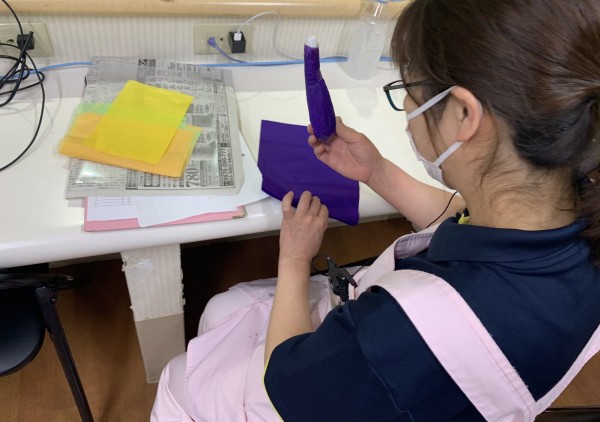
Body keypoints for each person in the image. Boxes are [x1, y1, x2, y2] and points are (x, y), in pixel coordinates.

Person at [151, 0, 600, 420]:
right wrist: (378, 172)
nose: (407, 105)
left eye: (412, 89)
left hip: (322, 391)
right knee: (224, 309)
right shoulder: (572, 205)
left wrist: (294, 258)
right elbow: (465, 216)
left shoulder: (399, 336)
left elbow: (285, 373)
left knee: (178, 378)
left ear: (464, 115)